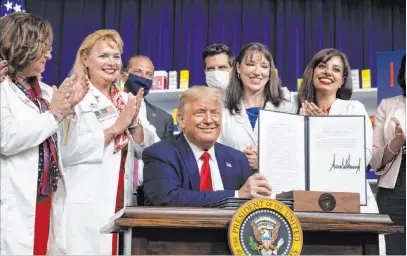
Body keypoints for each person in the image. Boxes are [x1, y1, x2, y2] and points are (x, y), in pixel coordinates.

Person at [60, 30, 160, 255]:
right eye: (104, 56)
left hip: (120, 201)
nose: (111, 62)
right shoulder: (74, 96)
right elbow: (67, 151)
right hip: (85, 201)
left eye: (116, 56)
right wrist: (115, 128)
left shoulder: (126, 99)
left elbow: (149, 150)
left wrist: (133, 125)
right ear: (85, 59)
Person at [0, 13, 88, 255]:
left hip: (44, 198)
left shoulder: (47, 92)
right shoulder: (3, 90)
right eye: (44, 49)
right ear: (23, 47)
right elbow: (7, 139)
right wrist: (55, 114)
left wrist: (69, 112)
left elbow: (67, 151)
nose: (49, 55)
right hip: (15, 202)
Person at [143, 86, 272, 206]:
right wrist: (236, 195)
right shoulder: (160, 154)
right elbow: (168, 198)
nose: (209, 120)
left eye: (215, 113)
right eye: (200, 113)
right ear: (181, 120)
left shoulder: (237, 159)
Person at [297, 48, 377, 213]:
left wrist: (325, 127)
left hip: (349, 197)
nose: (328, 72)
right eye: (322, 66)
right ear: (312, 73)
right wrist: (299, 127)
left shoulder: (353, 109)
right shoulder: (299, 112)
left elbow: (364, 156)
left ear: (342, 80)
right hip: (309, 199)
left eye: (336, 69)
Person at [219, 42, 296, 170]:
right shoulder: (222, 109)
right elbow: (214, 153)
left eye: (264, 66)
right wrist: (241, 160)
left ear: (270, 71)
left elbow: (294, 155)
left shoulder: (287, 109)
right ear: (238, 68)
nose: (257, 72)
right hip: (235, 186)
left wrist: (264, 160)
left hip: (275, 186)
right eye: (250, 64)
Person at [122, 55, 174, 204]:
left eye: (149, 74)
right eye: (138, 72)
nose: (144, 78)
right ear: (124, 75)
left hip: (150, 195)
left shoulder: (164, 118)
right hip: (116, 188)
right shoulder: (111, 107)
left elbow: (166, 161)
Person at [370, 54, 406, 255]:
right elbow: (375, 162)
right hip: (394, 192)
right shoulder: (388, 105)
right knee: (392, 250)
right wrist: (397, 142)